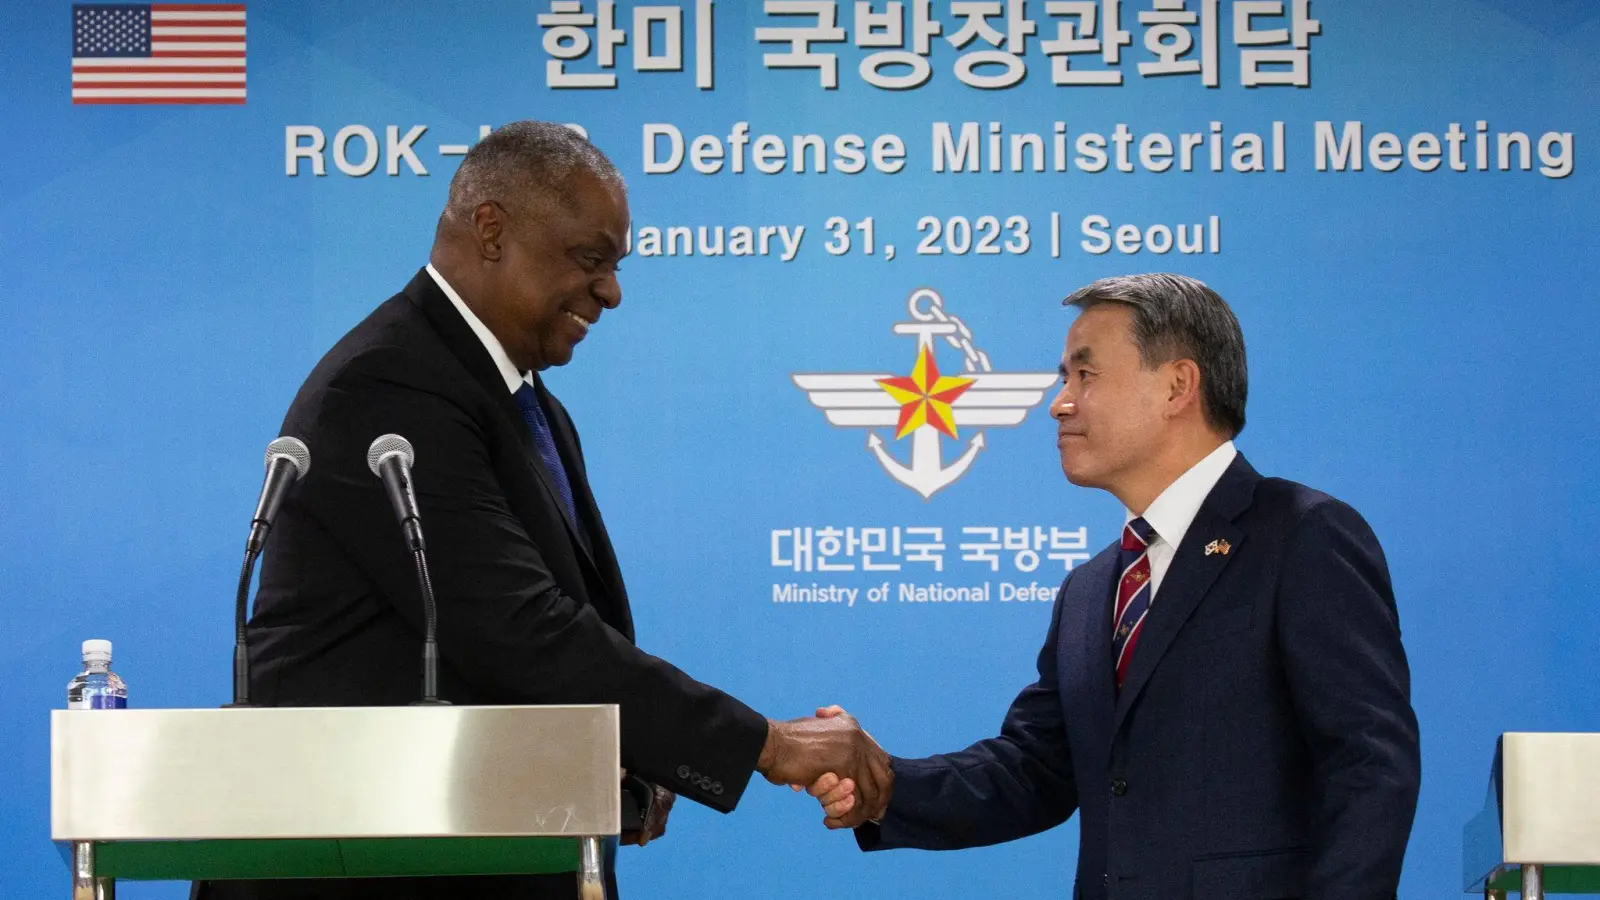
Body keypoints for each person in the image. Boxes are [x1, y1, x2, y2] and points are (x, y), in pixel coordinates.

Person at [194, 121, 888, 900]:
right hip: (361, 867)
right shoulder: (389, 384)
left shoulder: (527, 405)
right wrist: (765, 745)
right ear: (491, 229)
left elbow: (538, 647)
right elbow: (516, 631)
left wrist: (622, 759)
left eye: (615, 266)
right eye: (592, 259)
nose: (612, 292)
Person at [807, 274, 1422, 900]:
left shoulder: (1301, 535)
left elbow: (1370, 766)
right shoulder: (1092, 588)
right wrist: (880, 782)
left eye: (1085, 375)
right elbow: (1034, 769)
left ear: (1178, 385)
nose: (1060, 402)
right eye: (1062, 377)